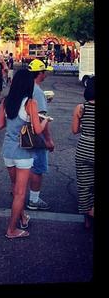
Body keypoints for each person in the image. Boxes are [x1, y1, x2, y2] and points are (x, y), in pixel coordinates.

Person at [0, 69, 50, 239]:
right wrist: (45, 120)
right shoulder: (30, 103)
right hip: (23, 151)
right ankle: (12, 230)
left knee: (15, 188)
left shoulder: (6, 101)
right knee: (20, 193)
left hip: (7, 150)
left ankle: (23, 217)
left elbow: (0, 125)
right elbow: (37, 130)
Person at [26, 59, 54, 211]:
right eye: (44, 72)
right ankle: (34, 200)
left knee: (25, 165)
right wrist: (48, 140)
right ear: (40, 73)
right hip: (36, 136)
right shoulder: (38, 91)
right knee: (38, 167)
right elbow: (42, 119)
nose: (46, 74)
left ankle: (17, 191)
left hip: (24, 133)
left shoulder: (26, 87)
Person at [71, 76, 95, 229]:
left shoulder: (81, 107)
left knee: (84, 186)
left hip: (84, 149)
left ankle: (87, 220)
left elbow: (74, 130)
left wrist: (85, 128)